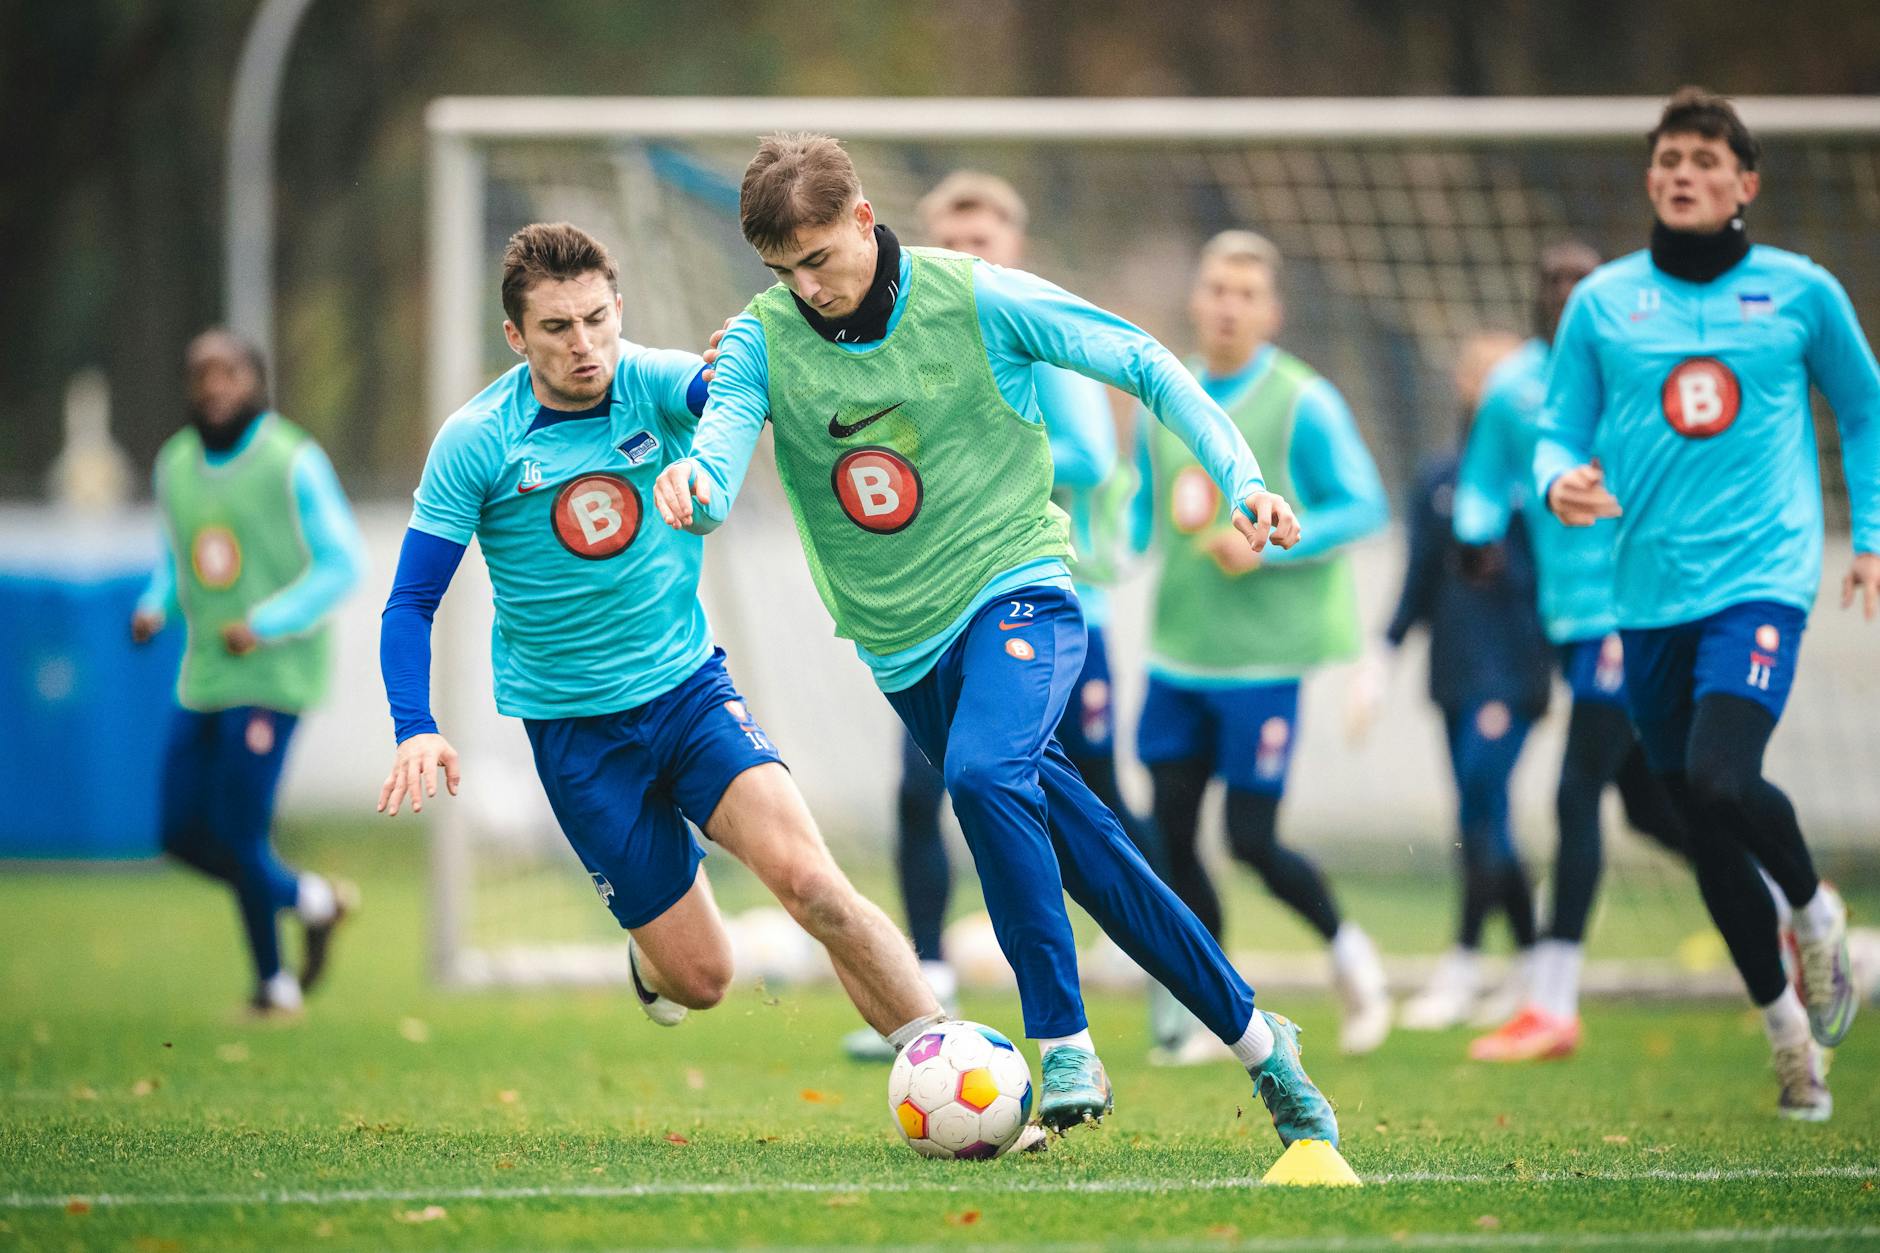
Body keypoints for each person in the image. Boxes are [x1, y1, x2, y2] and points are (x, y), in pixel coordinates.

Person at [656, 133, 1351, 1174]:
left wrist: (1240, 475)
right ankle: (1264, 1045)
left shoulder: (976, 296)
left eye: (818, 259)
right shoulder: (758, 340)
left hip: (1019, 587)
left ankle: (1064, 1042)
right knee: (1094, 857)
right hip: (900, 647)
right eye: (781, 271)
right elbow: (719, 445)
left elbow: (1145, 363)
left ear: (860, 220)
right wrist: (696, 489)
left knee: (982, 772)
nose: (806, 286)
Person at [376, 222, 947, 1064]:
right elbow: (410, 601)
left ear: (619, 308)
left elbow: (720, 392)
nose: (586, 345)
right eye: (558, 328)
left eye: (599, 319)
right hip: (576, 735)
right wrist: (413, 723)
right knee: (705, 978)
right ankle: (655, 952)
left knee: (815, 885)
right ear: (515, 335)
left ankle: (947, 1057)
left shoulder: (652, 381)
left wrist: (741, 371)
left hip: (689, 696)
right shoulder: (479, 440)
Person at [1536, 88, 1879, 1120]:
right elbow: (1557, 429)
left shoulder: (1800, 293)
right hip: (1641, 598)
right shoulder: (1601, 303)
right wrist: (1557, 482)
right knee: (1699, 816)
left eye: (1701, 158)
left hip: (1761, 580)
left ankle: (1816, 912)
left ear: (1744, 182)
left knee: (1720, 776)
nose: (1679, 172)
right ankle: (1787, 1040)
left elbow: (1861, 409)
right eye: (1666, 158)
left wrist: (1865, 536)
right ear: (1648, 177)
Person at [841, 171, 1136, 1064]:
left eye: (985, 242)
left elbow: (1090, 454)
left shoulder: (1033, 337)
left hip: (1053, 607)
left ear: (1014, 247)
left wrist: (974, 455)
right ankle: (926, 987)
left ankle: (1165, 979)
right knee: (918, 790)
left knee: (1095, 799)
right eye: (953, 242)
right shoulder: (916, 347)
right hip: (939, 615)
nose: (970, 256)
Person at [1130, 230, 1392, 1061]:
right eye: (1215, 287)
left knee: (1250, 838)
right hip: (1177, 655)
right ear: (1196, 300)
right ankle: (1208, 1000)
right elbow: (1142, 517)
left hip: (1264, 666)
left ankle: (1349, 949)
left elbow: (1364, 505)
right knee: (1169, 835)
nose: (1227, 304)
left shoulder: (1302, 399)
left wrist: (1275, 538)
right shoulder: (1167, 397)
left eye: (1246, 292)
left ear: (1270, 311)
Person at [1452, 244, 1696, 1061]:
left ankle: (1552, 1001)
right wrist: (1476, 533)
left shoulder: (1641, 369)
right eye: (1550, 283)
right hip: (1569, 621)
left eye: (1579, 285)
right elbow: (1484, 480)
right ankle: (1777, 899)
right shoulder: (1514, 388)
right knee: (1651, 804)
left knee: (1576, 787)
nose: (1563, 296)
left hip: (1634, 611)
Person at [131, 328, 364, 1015]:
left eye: (227, 370)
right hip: (203, 673)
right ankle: (311, 899)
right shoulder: (174, 463)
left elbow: (343, 563)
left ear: (256, 380)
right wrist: (152, 606)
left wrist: (265, 622)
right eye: (200, 371)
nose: (213, 384)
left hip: (275, 674)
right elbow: (178, 559)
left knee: (237, 828)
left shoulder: (292, 459)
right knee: (177, 831)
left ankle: (273, 984)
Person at [1377, 331, 1554, 1033]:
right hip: (1454, 672)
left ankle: (1465, 959)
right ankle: (1534, 955)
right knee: (1481, 816)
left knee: (1484, 796)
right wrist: (1381, 654)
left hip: (1514, 675)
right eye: (1480, 368)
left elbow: (1555, 579)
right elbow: (1418, 578)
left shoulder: (1543, 479)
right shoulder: (1439, 478)